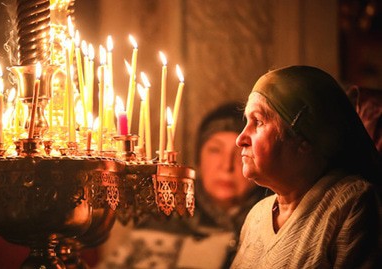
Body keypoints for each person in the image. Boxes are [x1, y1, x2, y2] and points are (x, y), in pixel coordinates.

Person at [231, 65, 381, 269]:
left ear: (304, 139)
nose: (241, 139)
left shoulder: (350, 203)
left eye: (257, 121)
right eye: (246, 121)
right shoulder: (256, 217)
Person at [98, 102, 269, 269]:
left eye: (240, 153)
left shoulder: (273, 228)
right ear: (198, 160)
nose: (226, 166)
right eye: (215, 150)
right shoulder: (162, 220)